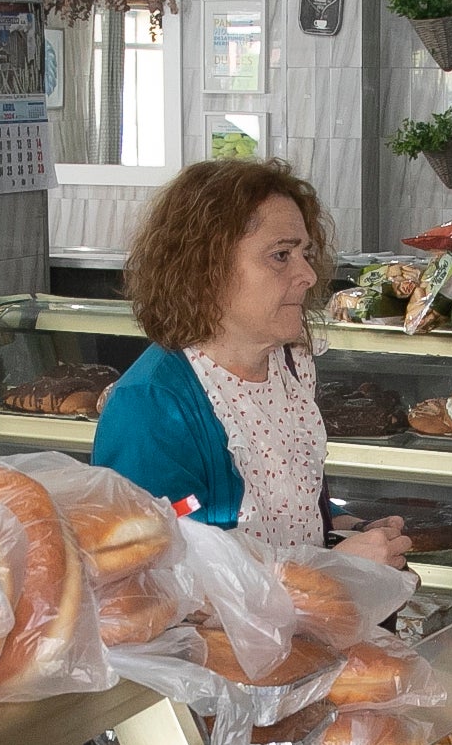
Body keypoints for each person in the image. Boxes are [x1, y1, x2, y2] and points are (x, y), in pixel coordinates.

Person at [91, 158, 410, 567]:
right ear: (207, 268)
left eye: (306, 253)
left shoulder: (288, 365)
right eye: (281, 255)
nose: (308, 275)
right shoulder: (150, 407)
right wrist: (333, 569)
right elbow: (155, 577)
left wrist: (348, 529)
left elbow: (287, 508)